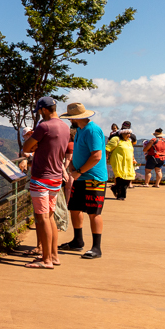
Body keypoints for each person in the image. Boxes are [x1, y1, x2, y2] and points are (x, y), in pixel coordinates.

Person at [21, 97, 71, 269]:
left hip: (41, 177)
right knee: (50, 217)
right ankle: (54, 256)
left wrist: (35, 146)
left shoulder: (44, 126)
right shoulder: (65, 126)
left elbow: (26, 148)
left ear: (43, 110)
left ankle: (46, 259)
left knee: (42, 219)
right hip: (56, 177)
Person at [59, 102, 107, 259]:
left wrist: (79, 171)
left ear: (74, 118)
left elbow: (96, 156)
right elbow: (80, 153)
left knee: (94, 212)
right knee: (74, 208)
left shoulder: (92, 131)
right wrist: (73, 167)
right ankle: (77, 240)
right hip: (80, 176)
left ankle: (96, 247)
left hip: (93, 178)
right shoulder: (80, 130)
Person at [106, 128, 135, 200]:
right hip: (118, 161)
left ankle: (115, 188)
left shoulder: (129, 141)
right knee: (120, 179)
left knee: (128, 179)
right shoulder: (116, 139)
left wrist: (133, 159)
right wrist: (106, 158)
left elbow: (131, 151)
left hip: (128, 163)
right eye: (127, 134)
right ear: (122, 133)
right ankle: (121, 195)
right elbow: (107, 148)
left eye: (129, 134)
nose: (129, 135)